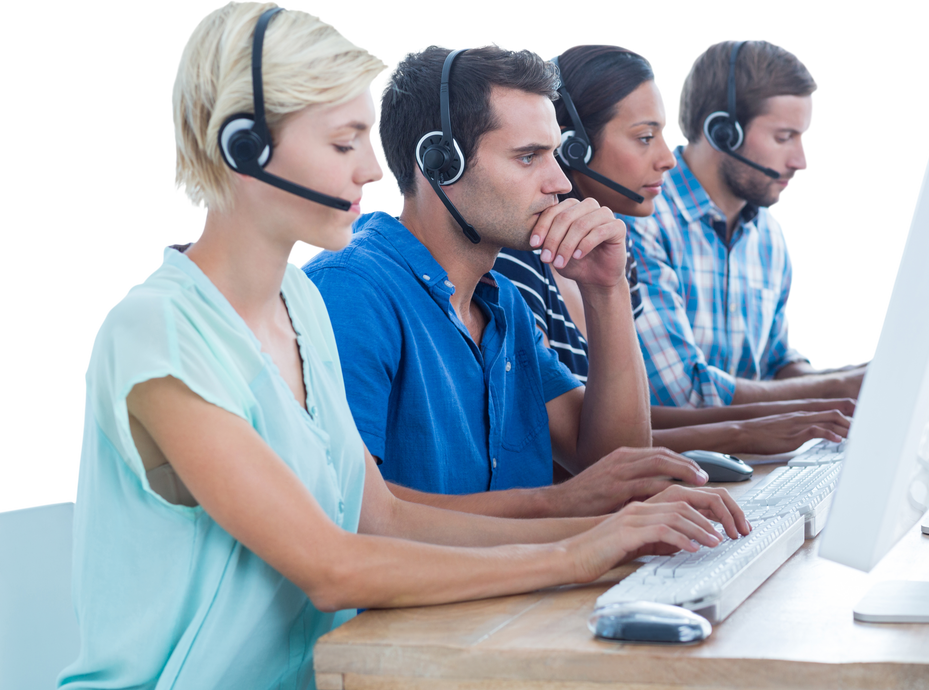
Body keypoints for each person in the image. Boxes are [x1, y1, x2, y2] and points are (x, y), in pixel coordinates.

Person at [62, 6, 748, 688]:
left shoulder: (295, 305)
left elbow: (382, 516)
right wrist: (579, 549)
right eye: (343, 143)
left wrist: (616, 536)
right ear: (244, 148)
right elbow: (332, 566)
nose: (369, 169)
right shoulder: (160, 331)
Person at [303, 42, 720, 518]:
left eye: (555, 155)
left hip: (532, 593)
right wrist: (556, 506)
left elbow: (614, 473)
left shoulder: (503, 307)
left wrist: (606, 291)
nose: (561, 182)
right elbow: (346, 510)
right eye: (528, 157)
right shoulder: (350, 290)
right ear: (441, 163)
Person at [494, 42, 854, 457]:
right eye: (645, 138)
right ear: (572, 148)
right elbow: (592, 448)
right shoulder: (518, 269)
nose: (667, 158)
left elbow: (631, 423)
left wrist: (802, 412)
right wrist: (744, 432)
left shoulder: (608, 260)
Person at [624, 37, 866, 409]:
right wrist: (835, 389)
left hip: (753, 460)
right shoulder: (643, 218)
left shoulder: (768, 235)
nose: (801, 161)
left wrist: (863, 377)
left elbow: (774, 365)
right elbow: (682, 395)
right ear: (723, 131)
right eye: (784, 137)